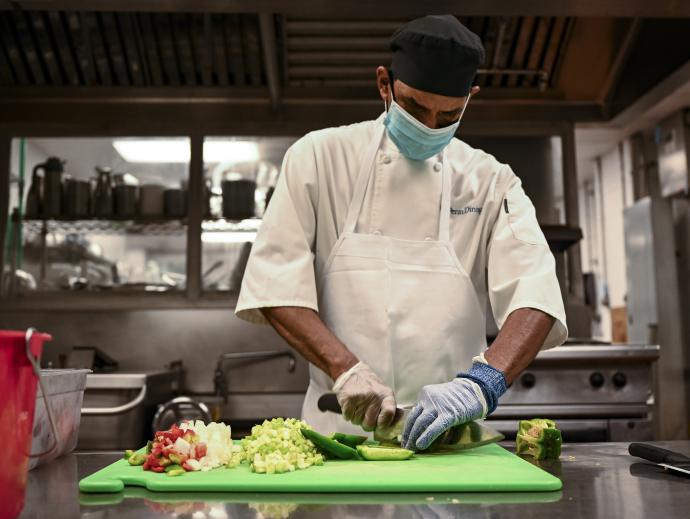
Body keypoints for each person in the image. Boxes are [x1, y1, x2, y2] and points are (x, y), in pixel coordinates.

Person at [236, 15, 567, 451]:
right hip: (337, 438)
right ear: (384, 85)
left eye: (448, 115)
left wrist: (481, 383)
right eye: (413, 108)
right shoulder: (319, 157)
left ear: (471, 98)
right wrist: (345, 369)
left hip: (449, 440)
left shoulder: (491, 180)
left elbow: (535, 294)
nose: (430, 126)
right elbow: (276, 285)